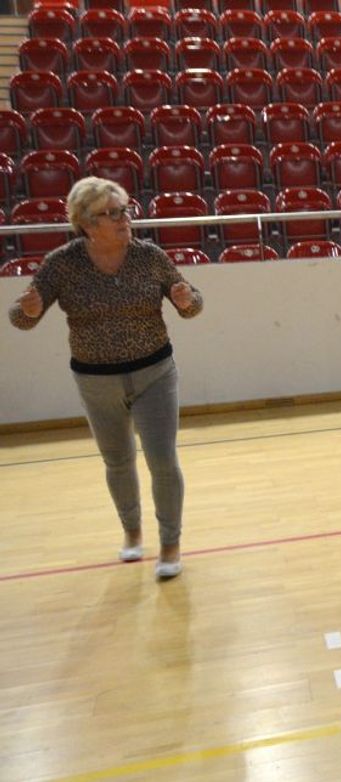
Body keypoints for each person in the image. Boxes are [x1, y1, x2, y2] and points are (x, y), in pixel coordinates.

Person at [7, 177, 204, 580]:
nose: (122, 219)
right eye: (110, 214)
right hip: (96, 381)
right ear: (86, 223)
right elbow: (20, 317)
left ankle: (170, 543)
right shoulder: (62, 263)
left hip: (155, 373)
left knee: (163, 460)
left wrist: (188, 301)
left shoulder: (149, 256)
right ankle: (132, 532)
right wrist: (27, 311)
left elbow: (191, 303)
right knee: (118, 460)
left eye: (123, 211)